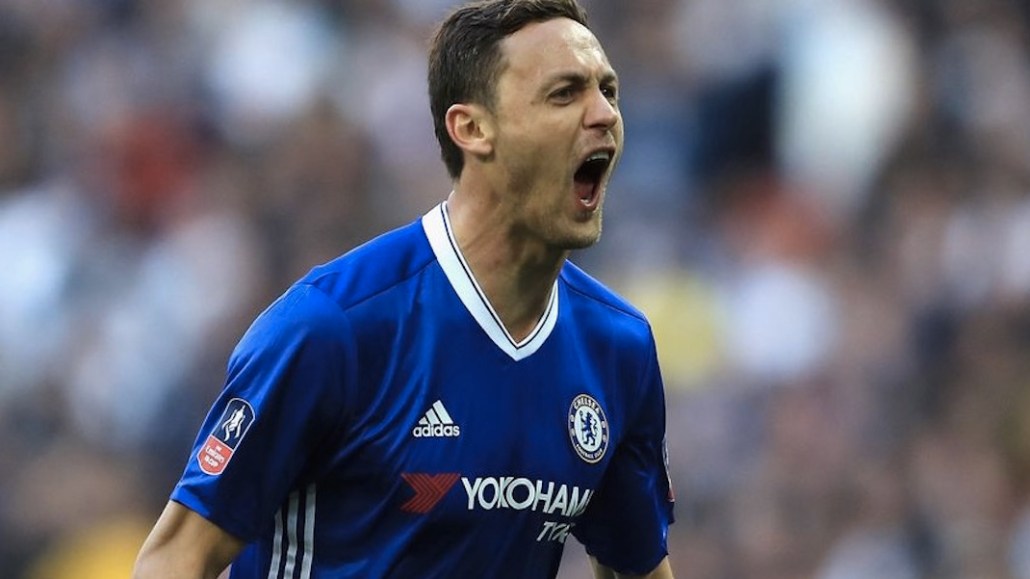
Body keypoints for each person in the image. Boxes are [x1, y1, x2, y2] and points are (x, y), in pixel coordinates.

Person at [132, 0, 675, 577]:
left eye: (608, 91)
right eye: (564, 94)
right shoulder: (334, 327)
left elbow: (638, 566)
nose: (605, 114)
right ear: (472, 129)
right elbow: (176, 557)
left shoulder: (618, 350)